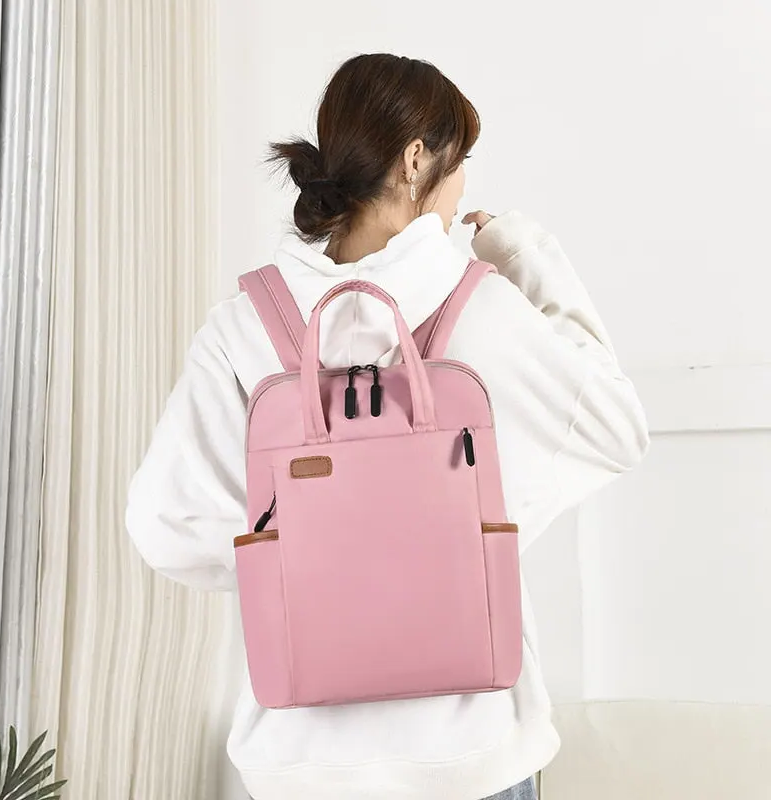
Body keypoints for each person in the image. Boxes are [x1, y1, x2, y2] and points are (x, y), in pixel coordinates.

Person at [126, 53, 650, 800]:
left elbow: (164, 524)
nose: (460, 186)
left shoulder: (243, 327)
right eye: (458, 163)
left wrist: (306, 556)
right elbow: (614, 425)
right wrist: (521, 254)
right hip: (471, 756)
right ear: (415, 160)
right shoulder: (483, 309)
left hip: (302, 765)